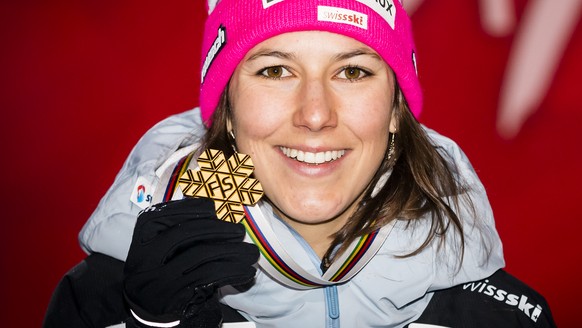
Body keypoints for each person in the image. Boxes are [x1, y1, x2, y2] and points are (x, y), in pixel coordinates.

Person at [44, 0, 556, 327]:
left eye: (353, 71)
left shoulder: (497, 313)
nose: (315, 114)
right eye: (275, 70)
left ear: (396, 109)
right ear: (227, 106)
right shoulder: (111, 297)